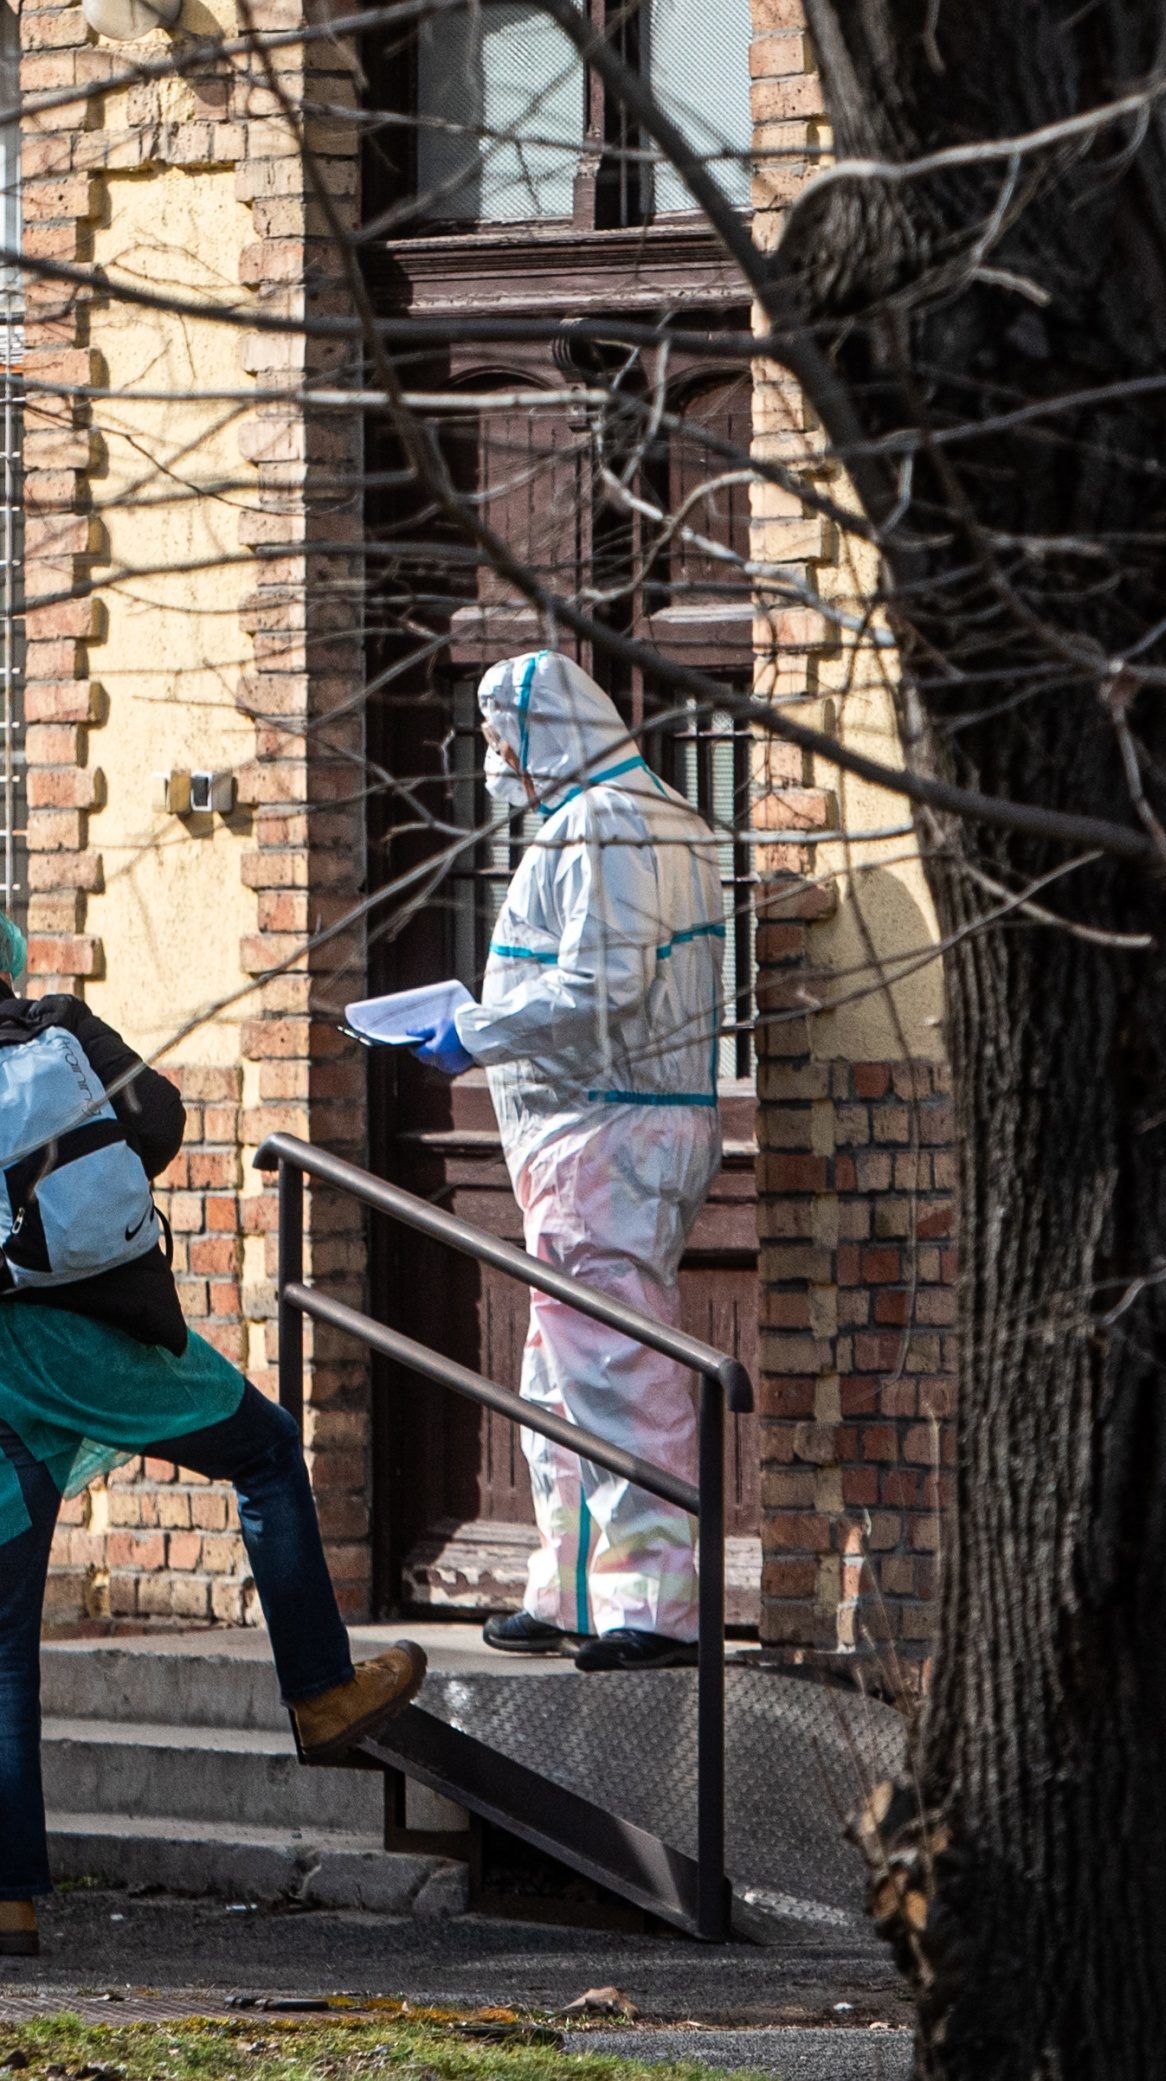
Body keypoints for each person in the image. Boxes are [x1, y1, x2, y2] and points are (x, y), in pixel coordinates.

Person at [0, 893, 422, 1958]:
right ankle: (322, 1691)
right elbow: (157, 1123)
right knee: (260, 1451)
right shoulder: (49, 1022)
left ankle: (5, 1895)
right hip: (96, 1334)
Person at [409, 651, 727, 1675]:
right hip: (606, 1134)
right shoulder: (654, 812)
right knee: (561, 1371)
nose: (495, 759)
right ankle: (574, 1583)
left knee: (614, 1366)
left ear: (541, 731)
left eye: (501, 738)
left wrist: (477, 1030)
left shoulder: (603, 823)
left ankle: (656, 1603)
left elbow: (602, 987)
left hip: (605, 1138)